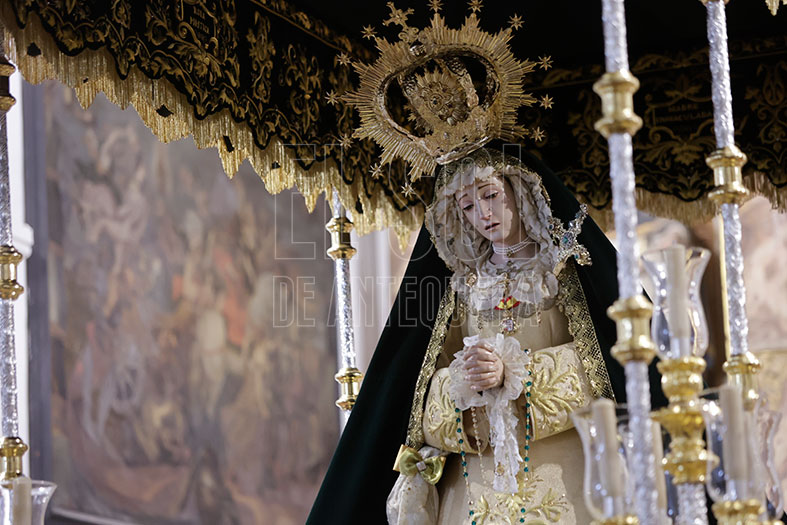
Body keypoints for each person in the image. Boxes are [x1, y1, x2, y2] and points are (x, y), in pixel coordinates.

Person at [307, 148, 666, 524]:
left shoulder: (563, 270)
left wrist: (516, 375)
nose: (483, 213)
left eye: (491, 195)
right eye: (467, 206)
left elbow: (609, 363)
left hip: (567, 478)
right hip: (476, 485)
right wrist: (465, 381)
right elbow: (419, 393)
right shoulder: (462, 287)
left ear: (519, 190)